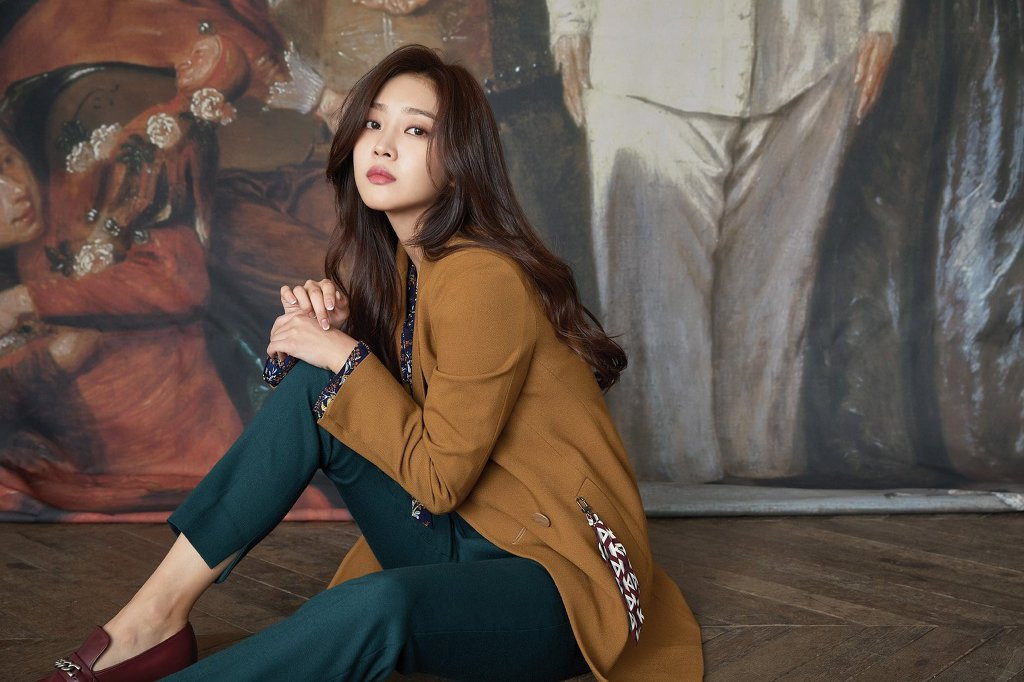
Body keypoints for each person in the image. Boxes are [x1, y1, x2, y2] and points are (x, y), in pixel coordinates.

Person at [37, 45, 703, 681]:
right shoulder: (403, 272)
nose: (382, 145)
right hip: (466, 538)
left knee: (377, 605)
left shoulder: (481, 277)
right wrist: (332, 338)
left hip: (554, 581)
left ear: (460, 160)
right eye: (373, 124)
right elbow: (374, 417)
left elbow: (438, 480)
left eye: (416, 130)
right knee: (316, 384)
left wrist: (346, 356)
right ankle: (150, 620)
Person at [547, 1, 902, 482]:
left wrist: (882, 15)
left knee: (773, 319)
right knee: (656, 344)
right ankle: (675, 496)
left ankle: (764, 494)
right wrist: (569, 19)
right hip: (645, 65)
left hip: (813, 57)